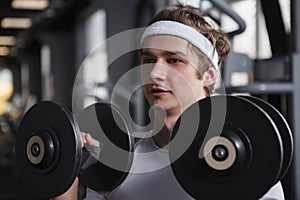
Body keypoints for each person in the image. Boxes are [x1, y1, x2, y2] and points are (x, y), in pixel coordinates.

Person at [53, 2, 285, 200]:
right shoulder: (115, 163)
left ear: (209, 75)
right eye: (149, 59)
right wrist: (65, 171)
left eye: (174, 60)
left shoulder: (251, 164)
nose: (155, 73)